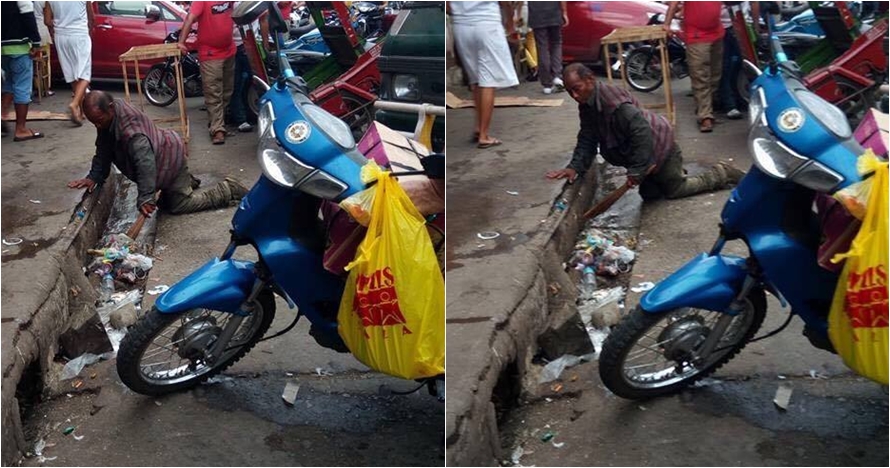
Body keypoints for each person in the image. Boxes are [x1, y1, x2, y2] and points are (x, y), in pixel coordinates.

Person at [545, 64, 744, 200]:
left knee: (675, 190)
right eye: (570, 91)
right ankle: (670, 174)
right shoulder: (588, 103)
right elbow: (588, 136)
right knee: (649, 195)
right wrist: (575, 167)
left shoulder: (614, 104)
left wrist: (638, 170)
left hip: (660, 146)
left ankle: (721, 173)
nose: (574, 95)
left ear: (590, 79)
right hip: (645, 151)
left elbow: (642, 132)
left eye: (577, 88)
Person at [67, 91, 249, 215]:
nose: (97, 125)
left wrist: (145, 198)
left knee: (178, 205)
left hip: (170, 159)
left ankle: (227, 190)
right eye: (94, 122)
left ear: (111, 107)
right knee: (165, 202)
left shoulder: (132, 134)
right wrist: (94, 176)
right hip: (165, 149)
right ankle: (186, 181)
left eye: (99, 120)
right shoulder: (111, 113)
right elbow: (103, 147)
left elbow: (145, 165)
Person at [448, 1, 519, 149]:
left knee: (475, 80)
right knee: (488, 81)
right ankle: (484, 135)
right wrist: (510, 24)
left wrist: (462, 13)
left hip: (462, 27)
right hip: (487, 24)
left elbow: (448, 5)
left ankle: (478, 127)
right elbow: (505, 3)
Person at [178, 1, 236, 145]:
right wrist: (181, 42)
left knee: (227, 91)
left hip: (229, 51)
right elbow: (190, 18)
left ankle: (217, 123)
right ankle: (217, 129)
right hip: (210, 53)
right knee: (213, 92)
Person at [664, 1, 724, 133]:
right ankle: (705, 116)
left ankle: (705, 109)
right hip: (697, 36)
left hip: (716, 34)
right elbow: (674, 3)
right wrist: (667, 24)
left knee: (715, 75)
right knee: (700, 77)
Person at [44, 1, 93, 125]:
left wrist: (59, 25)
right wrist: (89, 31)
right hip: (79, 34)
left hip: (61, 36)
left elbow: (47, 21)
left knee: (71, 74)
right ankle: (75, 104)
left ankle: (81, 111)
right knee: (84, 75)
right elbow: (91, 17)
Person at [2, 1, 44, 142]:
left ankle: (2, 115)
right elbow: (28, 16)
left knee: (9, 82)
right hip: (19, 46)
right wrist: (36, 42)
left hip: (2, 49)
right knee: (22, 86)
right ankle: (21, 129)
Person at [527, 1, 567, 95]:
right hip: (554, 12)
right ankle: (557, 75)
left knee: (542, 47)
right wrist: (564, 12)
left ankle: (547, 84)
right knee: (556, 44)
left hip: (536, 14)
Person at [716, 3, 743, 120]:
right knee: (725, 67)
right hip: (723, 29)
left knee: (740, 65)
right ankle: (729, 104)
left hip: (740, 25)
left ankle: (735, 100)